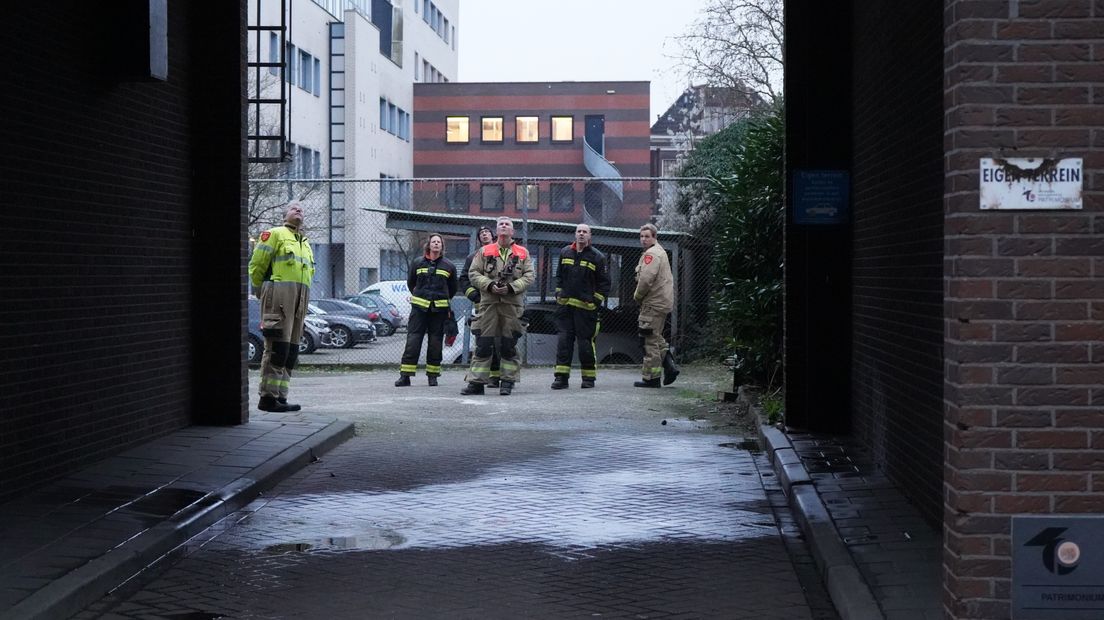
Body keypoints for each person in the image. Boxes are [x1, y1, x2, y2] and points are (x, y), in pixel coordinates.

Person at [248, 202, 315, 412]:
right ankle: (267, 398)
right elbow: (256, 266)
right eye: (294, 208)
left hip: (300, 299)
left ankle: (280, 396)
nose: (299, 210)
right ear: (284, 215)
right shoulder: (274, 234)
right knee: (277, 348)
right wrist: (263, 292)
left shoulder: (304, 242)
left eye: (301, 209)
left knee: (291, 350)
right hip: (279, 297)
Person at [461, 217, 535, 396]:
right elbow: (473, 273)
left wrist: (511, 287)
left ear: (512, 232)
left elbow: (529, 276)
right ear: (497, 231)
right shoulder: (485, 251)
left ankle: (507, 382)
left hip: (511, 305)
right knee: (483, 344)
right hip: (488, 304)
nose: (503, 226)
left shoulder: (522, 253)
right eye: (500, 224)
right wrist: (489, 285)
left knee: (508, 345)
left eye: (507, 224)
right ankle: (476, 383)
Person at [551, 224, 611, 390]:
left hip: (586, 310)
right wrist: (558, 293)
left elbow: (605, 284)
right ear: (575, 235)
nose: (582, 234)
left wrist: (595, 302)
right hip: (565, 308)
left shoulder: (598, 257)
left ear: (590, 236)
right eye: (579, 231)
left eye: (585, 232)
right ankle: (561, 378)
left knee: (585, 344)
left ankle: (588, 378)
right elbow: (559, 277)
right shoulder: (565, 252)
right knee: (564, 343)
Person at [395, 233, 458, 387]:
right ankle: (405, 376)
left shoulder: (449, 266)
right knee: (413, 341)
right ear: (429, 245)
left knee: (435, 342)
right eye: (433, 242)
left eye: (439, 242)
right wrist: (421, 297)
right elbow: (411, 283)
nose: (436, 244)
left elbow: (452, 289)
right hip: (419, 309)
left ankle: (433, 375)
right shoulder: (417, 263)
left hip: (439, 310)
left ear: (442, 247)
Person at [633, 223, 680, 388]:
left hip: (652, 303)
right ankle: (670, 367)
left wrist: (637, 296)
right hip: (661, 303)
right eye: (641, 236)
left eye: (647, 236)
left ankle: (651, 378)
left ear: (654, 237)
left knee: (648, 339)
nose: (643, 239)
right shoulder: (660, 252)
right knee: (656, 336)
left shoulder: (651, 255)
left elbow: (646, 279)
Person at [458, 224, 501, 386]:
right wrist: (474, 295)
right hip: (482, 306)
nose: (484, 235)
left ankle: (497, 376)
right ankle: (485, 376)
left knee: (499, 341)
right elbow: (463, 279)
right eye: (481, 233)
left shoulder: (500, 253)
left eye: (487, 232)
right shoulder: (472, 257)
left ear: (493, 236)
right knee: (483, 341)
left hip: (500, 303)